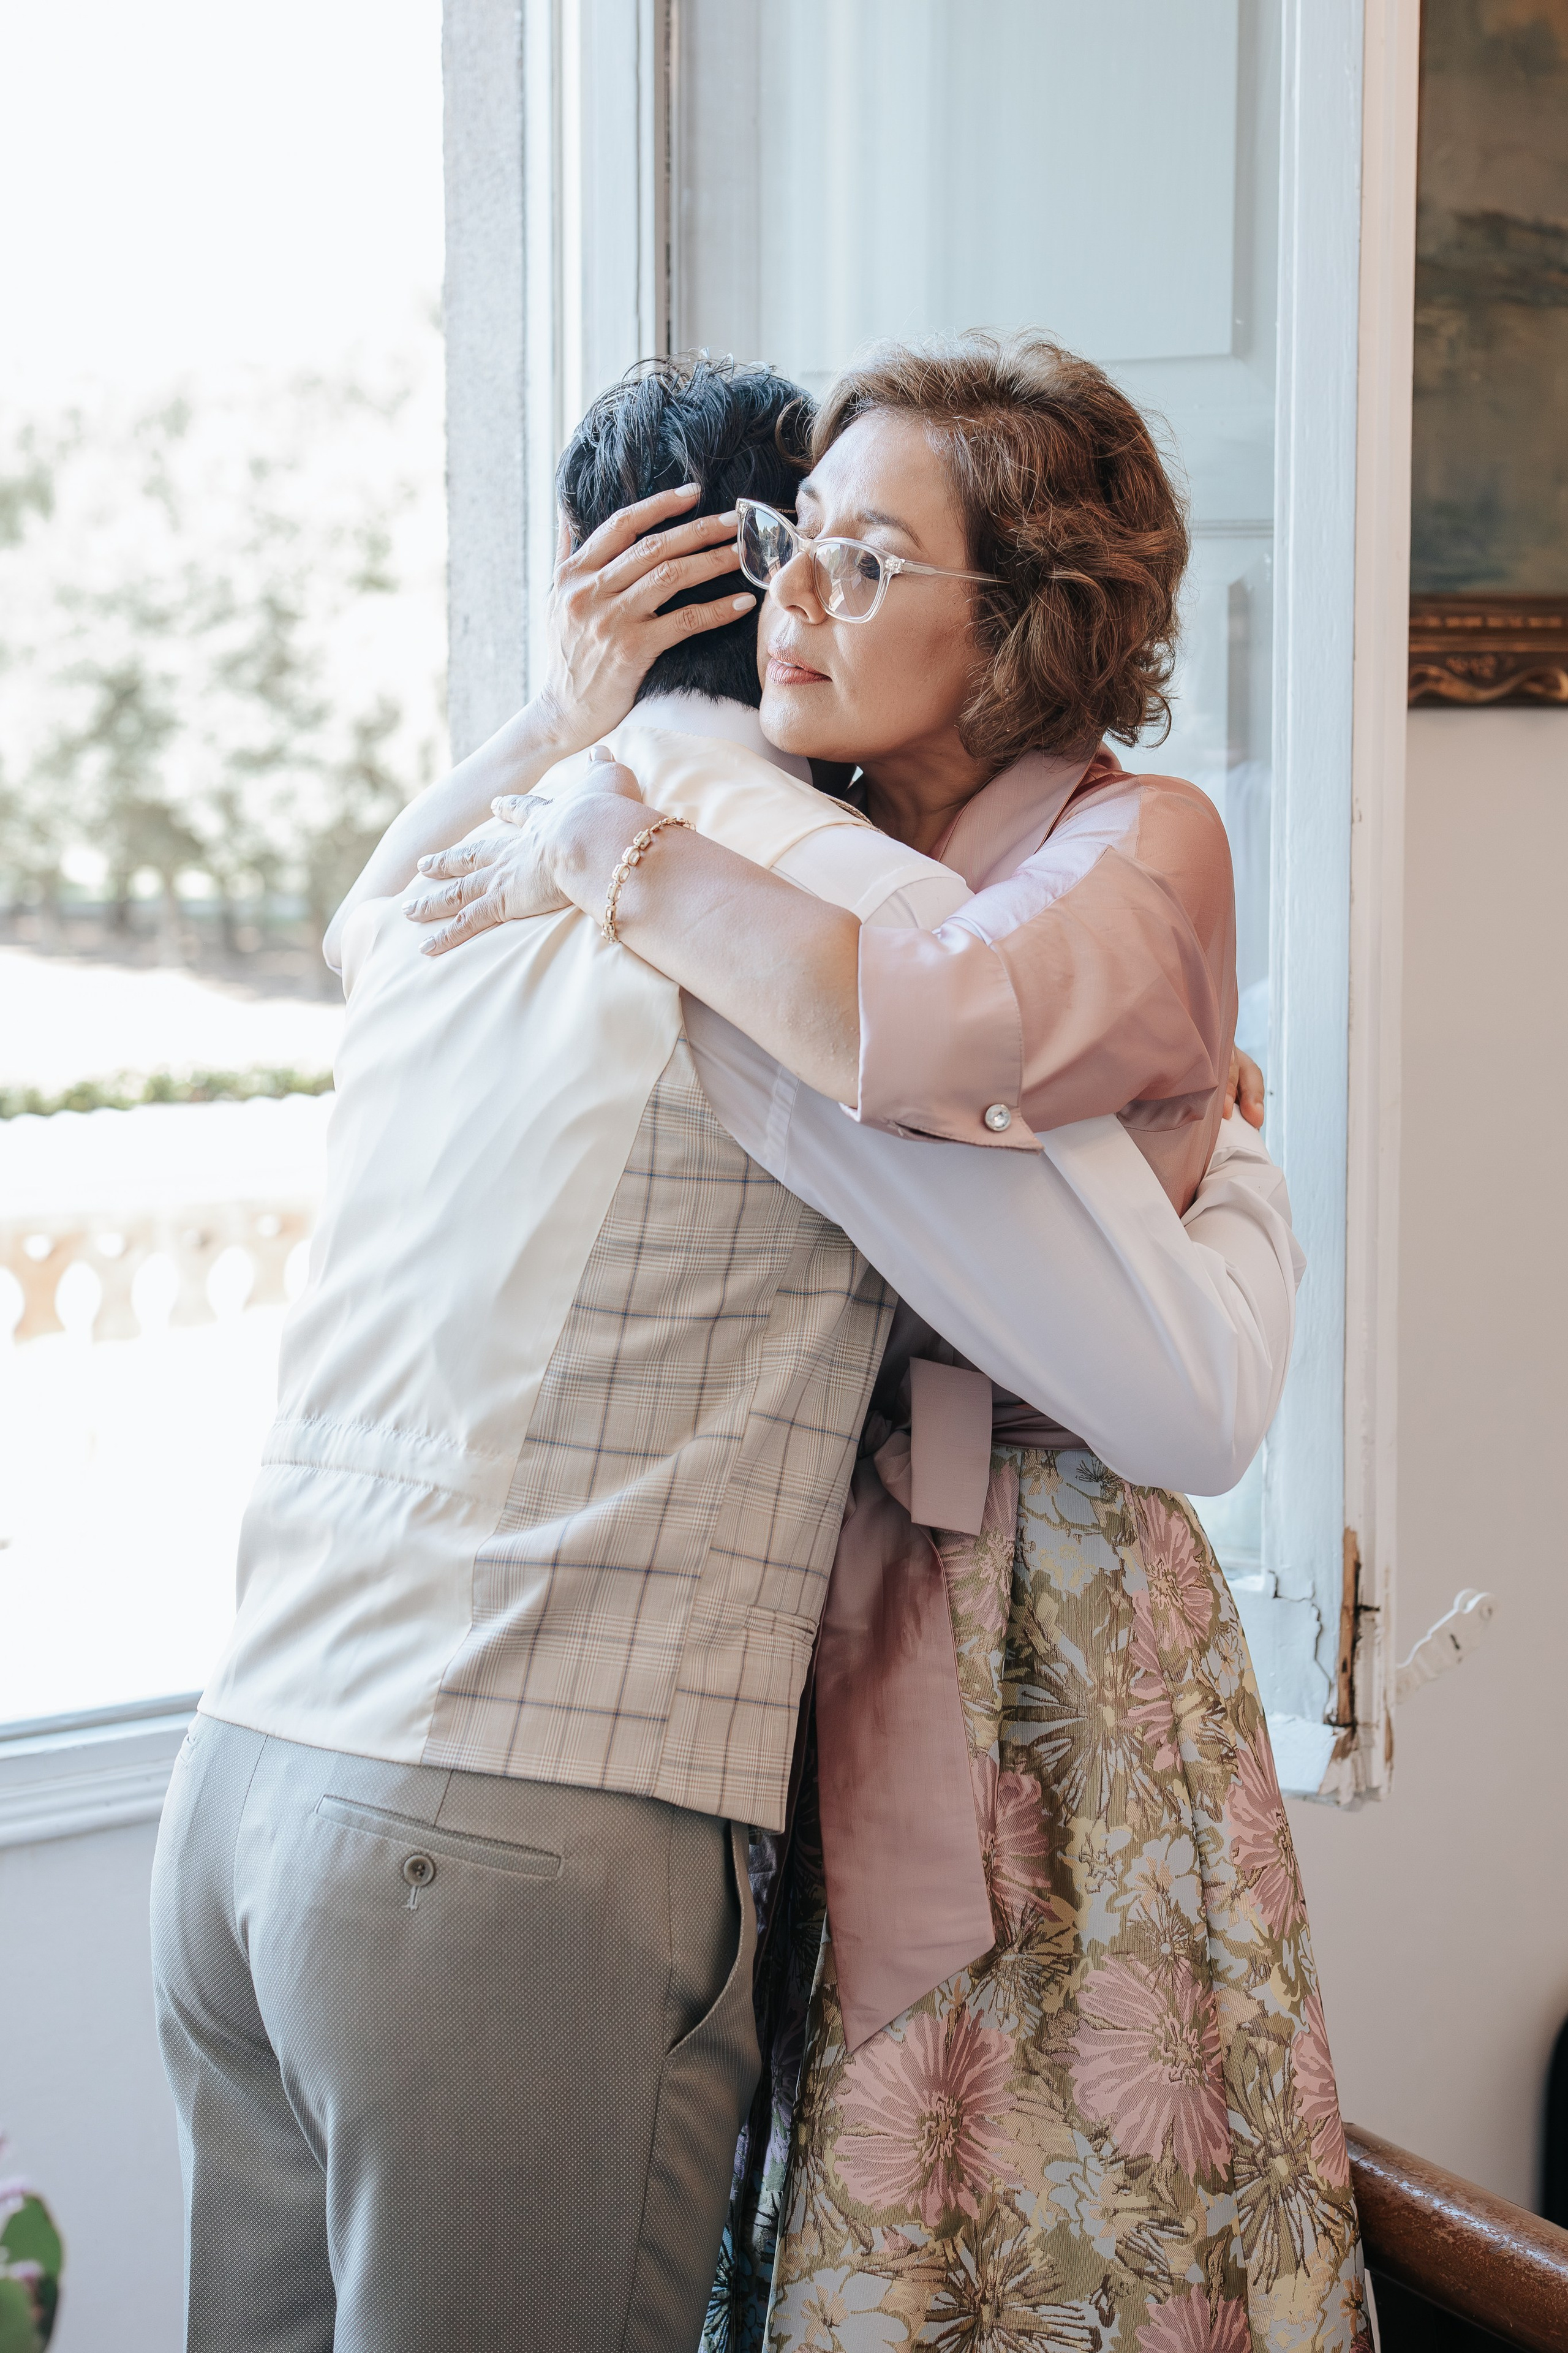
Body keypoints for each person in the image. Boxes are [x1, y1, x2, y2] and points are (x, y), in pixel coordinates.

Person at [149, 357, 1304, 2353]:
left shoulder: (459, 876)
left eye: (863, 559)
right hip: (503, 1834)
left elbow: (356, 933)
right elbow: (1188, 1389)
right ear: (736, 561)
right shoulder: (814, 912)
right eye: (804, 549)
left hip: (243, 1795)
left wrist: (552, 727)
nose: (811, 599)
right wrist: (1244, 1163)